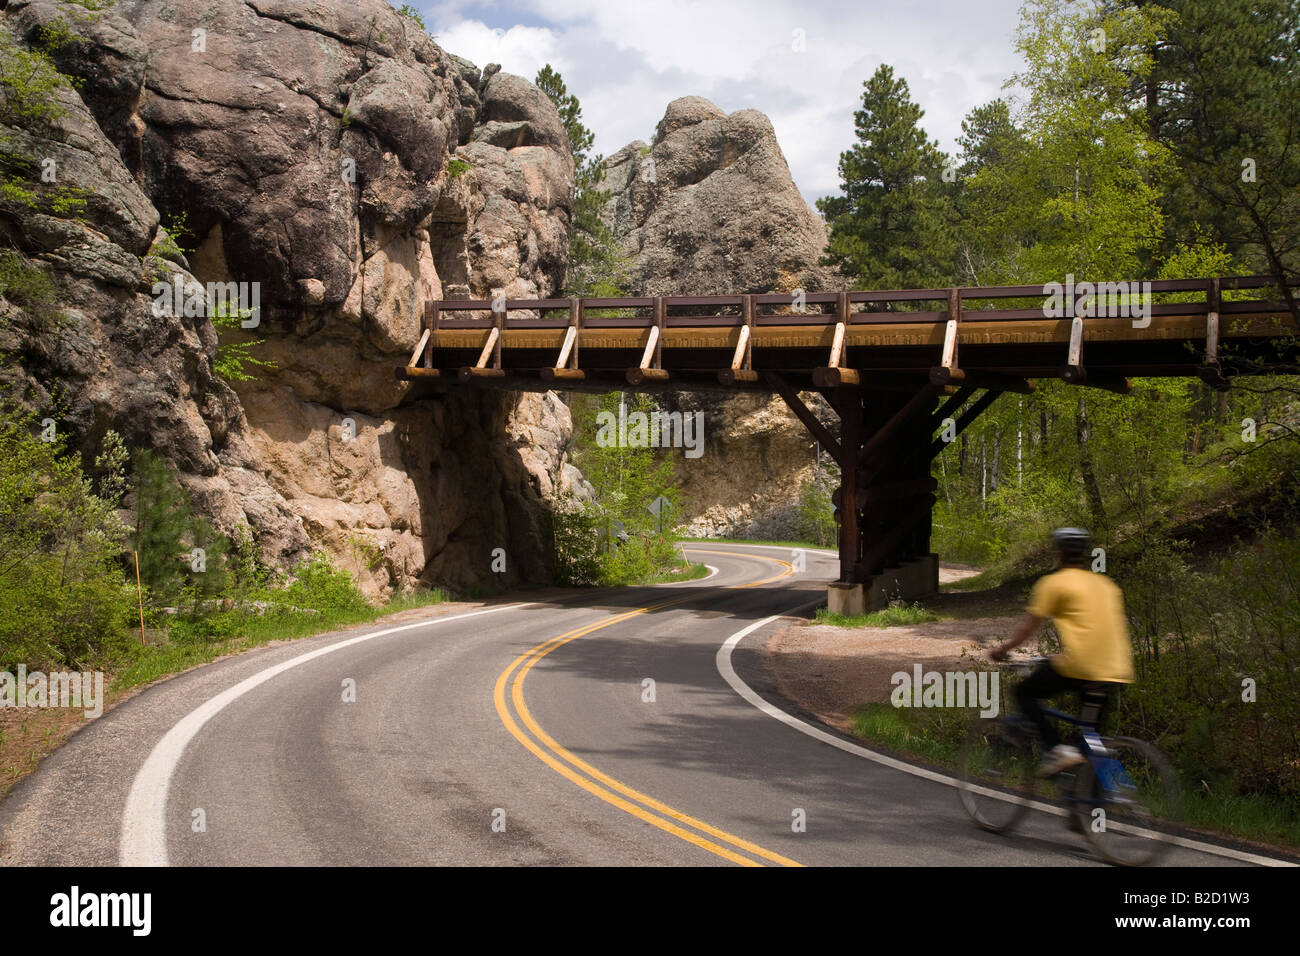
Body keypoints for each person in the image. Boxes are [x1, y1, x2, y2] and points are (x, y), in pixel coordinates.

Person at [989, 527, 1135, 777]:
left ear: (1058, 553)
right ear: (1084, 553)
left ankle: (1056, 750)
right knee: (1089, 740)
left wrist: (1002, 649)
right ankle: (1092, 797)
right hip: (1117, 669)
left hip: (1081, 666)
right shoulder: (1106, 584)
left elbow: (1029, 628)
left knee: (1023, 692)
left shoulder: (1053, 583)